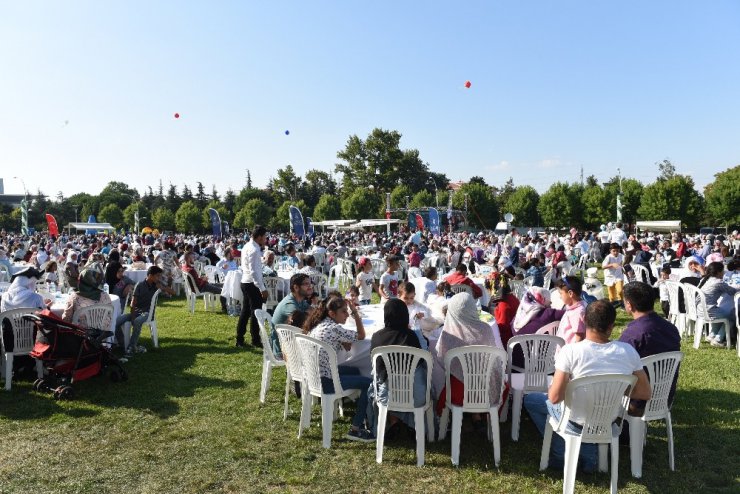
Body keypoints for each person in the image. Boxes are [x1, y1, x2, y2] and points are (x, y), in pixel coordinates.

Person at [523, 300, 652, 472]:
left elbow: (554, 398)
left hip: (576, 421)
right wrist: (617, 387)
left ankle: (562, 454)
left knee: (531, 400)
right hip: (609, 420)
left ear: (584, 320)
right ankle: (590, 456)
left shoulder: (570, 352)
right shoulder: (627, 351)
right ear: (612, 326)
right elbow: (644, 392)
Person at [303, 293, 374, 442]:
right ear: (331, 313)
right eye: (344, 311)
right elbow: (361, 335)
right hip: (327, 381)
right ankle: (356, 428)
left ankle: (363, 408)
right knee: (368, 382)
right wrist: (356, 313)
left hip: (313, 377)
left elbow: (332, 339)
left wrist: (342, 341)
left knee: (356, 370)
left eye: (348, 311)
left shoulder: (320, 325)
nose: (347, 314)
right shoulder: (335, 329)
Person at [433, 292, 504, 432]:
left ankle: (473, 416)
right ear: (472, 308)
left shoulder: (448, 333)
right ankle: (478, 416)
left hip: (459, 389)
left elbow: (442, 359)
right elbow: (494, 359)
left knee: (456, 377)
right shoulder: (486, 329)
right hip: (485, 385)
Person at [366, 298, 427, 438]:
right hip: (415, 397)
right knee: (420, 378)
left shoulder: (377, 337)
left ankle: (394, 422)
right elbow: (425, 357)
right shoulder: (411, 336)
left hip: (387, 396)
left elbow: (376, 367)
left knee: (385, 381)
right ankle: (412, 425)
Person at [619, 281, 681, 417]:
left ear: (629, 304)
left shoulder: (633, 335)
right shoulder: (671, 329)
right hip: (664, 398)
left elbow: (617, 368)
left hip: (636, 402)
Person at [114, 266, 174, 357]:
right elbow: (133, 303)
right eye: (157, 276)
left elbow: (173, 293)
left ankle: (131, 346)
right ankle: (123, 343)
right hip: (136, 311)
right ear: (150, 275)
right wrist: (133, 316)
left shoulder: (157, 284)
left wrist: (162, 288)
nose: (159, 278)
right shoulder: (140, 285)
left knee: (138, 321)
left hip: (147, 313)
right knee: (116, 322)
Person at [237, 226, 268, 348]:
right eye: (265, 237)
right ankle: (255, 339)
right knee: (256, 313)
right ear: (259, 237)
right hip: (252, 284)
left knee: (245, 312)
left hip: (246, 281)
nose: (266, 239)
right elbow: (254, 272)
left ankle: (240, 338)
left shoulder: (247, 246)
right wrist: (262, 288)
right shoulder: (254, 249)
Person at [269, 273, 313, 358]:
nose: (310, 286)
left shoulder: (300, 300)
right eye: (306, 284)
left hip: (292, 341)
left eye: (310, 283)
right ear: (296, 287)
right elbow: (305, 324)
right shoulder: (290, 304)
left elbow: (314, 313)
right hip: (283, 349)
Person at [698, 262, 739, 346]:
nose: (724, 273)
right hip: (709, 310)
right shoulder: (718, 282)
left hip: (699, 310)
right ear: (718, 272)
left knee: (721, 312)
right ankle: (718, 339)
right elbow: (732, 292)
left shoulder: (704, 279)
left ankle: (712, 335)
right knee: (731, 316)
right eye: (723, 271)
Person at [61, 262, 112, 326]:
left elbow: (66, 319)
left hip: (81, 334)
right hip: (102, 332)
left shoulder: (75, 297)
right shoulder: (105, 296)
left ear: (80, 280)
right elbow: (110, 315)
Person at [554, 276, 586, 345]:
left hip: (569, 350)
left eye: (561, 293)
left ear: (570, 293)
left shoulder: (576, 313)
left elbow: (579, 337)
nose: (560, 296)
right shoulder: (579, 305)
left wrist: (573, 354)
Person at [602, 243, 625, 307]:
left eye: (617, 251)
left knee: (620, 290)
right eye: (614, 251)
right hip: (610, 276)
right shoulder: (608, 257)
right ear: (610, 251)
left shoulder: (621, 256)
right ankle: (612, 304)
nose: (615, 252)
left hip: (619, 275)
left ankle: (621, 302)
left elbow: (625, 262)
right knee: (611, 293)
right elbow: (603, 267)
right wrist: (611, 265)